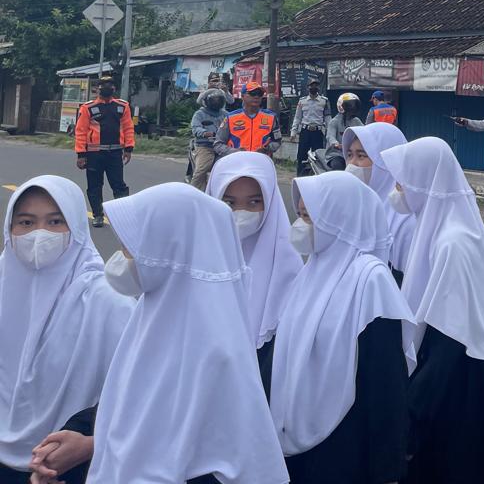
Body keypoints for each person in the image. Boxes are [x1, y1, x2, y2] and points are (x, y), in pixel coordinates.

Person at [42, 182, 288, 484]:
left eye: (130, 248)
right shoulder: (158, 316)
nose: (122, 257)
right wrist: (91, 442)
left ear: (168, 250)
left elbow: (193, 451)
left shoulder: (212, 348)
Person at [380, 137, 484, 484]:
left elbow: (448, 338)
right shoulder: (440, 229)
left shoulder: (454, 242)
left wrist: (410, 415)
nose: (397, 190)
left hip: (473, 385)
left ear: (424, 182)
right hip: (466, 375)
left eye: (403, 182)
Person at [270, 170, 414, 484]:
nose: (300, 227)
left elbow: (385, 382)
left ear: (339, 220)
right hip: (297, 437)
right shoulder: (313, 270)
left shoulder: (370, 280)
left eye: (309, 218)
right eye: (300, 215)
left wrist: (387, 469)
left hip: (348, 441)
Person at [0, 176, 133, 484]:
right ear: (10, 229)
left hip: (69, 465)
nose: (39, 234)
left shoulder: (109, 301)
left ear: (76, 228)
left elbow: (137, 392)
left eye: (55, 222)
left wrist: (91, 443)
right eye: (26, 222)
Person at [207, 151, 303, 386]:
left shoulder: (289, 270)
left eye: (254, 202)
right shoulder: (196, 262)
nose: (241, 213)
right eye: (228, 202)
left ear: (270, 203)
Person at [341, 122, 415, 281]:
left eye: (361, 156)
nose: (352, 164)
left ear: (386, 161)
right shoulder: (353, 210)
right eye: (349, 155)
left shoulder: (405, 221)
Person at [73, 76, 133, 229]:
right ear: (97, 89)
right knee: (94, 186)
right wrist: (81, 154)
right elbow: (80, 131)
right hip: (94, 154)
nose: (107, 87)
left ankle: (122, 215)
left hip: (115, 153)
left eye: (110, 85)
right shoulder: (88, 108)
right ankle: (98, 215)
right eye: (103, 85)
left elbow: (128, 128)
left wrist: (128, 148)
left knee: (119, 185)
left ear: (114, 88)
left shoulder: (122, 106)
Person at [214, 81, 283, 159]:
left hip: (261, 161)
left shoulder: (271, 117)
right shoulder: (231, 118)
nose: (256, 96)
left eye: (260, 94)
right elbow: (218, 144)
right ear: (242, 96)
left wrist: (267, 149)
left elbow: (277, 141)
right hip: (236, 161)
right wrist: (235, 152)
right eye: (252, 93)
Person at [188, 88, 228, 191]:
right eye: (214, 99)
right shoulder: (199, 114)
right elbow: (195, 128)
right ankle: (192, 192)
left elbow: (233, 126)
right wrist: (205, 133)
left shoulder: (225, 114)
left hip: (223, 146)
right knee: (202, 170)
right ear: (206, 101)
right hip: (206, 146)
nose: (216, 102)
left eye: (219, 99)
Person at [290, 81, 330, 177]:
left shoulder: (324, 101)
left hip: (318, 132)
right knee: (301, 156)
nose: (314, 87)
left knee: (318, 156)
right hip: (305, 132)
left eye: (316, 85)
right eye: (312, 85)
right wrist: (293, 132)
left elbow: (328, 118)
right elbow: (297, 117)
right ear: (308, 87)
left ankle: (318, 177)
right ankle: (300, 177)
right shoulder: (302, 101)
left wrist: (329, 133)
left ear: (318, 88)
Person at [324, 93, 363, 171]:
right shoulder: (334, 121)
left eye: (354, 105)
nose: (352, 107)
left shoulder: (356, 121)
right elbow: (330, 136)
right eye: (349, 105)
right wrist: (335, 144)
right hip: (336, 154)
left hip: (353, 153)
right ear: (341, 106)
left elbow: (364, 131)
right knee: (338, 166)